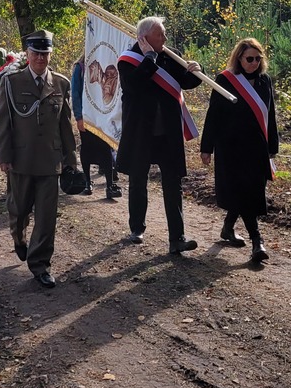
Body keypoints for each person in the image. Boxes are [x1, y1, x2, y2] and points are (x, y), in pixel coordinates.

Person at [0, 29, 78, 289]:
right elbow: (3, 122)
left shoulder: (61, 83)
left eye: (45, 53)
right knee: (18, 210)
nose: (41, 58)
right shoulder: (11, 83)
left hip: (49, 162)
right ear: (27, 55)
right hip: (20, 159)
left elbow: (66, 126)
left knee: (46, 216)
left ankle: (40, 264)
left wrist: (70, 160)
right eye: (36, 53)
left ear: (51, 54)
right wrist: (4, 156)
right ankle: (18, 238)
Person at [117, 16, 202, 255]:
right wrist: (149, 59)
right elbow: (134, 86)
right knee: (138, 180)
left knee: (172, 183)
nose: (164, 39)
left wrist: (196, 72)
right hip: (141, 132)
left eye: (164, 34)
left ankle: (177, 238)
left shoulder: (170, 55)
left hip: (167, 133)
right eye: (159, 35)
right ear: (144, 38)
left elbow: (184, 82)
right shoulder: (128, 59)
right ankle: (137, 228)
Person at [200, 38, 279, 263]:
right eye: (249, 59)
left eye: (257, 58)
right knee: (244, 192)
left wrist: (273, 146)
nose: (253, 63)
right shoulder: (225, 80)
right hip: (231, 148)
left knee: (251, 191)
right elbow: (213, 115)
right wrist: (207, 148)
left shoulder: (265, 81)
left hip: (257, 148)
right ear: (239, 59)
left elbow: (270, 115)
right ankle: (257, 242)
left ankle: (227, 228)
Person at [71, 55, 122, 198]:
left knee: (105, 148)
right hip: (88, 117)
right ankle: (87, 182)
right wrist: (79, 117)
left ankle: (110, 185)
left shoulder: (107, 62)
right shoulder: (80, 67)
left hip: (104, 116)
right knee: (87, 148)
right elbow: (75, 93)